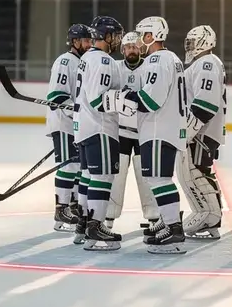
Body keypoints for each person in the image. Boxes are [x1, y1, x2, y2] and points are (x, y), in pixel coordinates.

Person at [103, 16, 188, 254]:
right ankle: (169, 225)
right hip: (164, 128)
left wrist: (122, 98)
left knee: (159, 180)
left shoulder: (157, 60)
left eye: (141, 35)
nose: (138, 40)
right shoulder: (171, 58)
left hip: (159, 129)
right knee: (157, 179)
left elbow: (150, 100)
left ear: (151, 36)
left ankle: (174, 230)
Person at [72, 15, 127, 250]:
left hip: (84, 127)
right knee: (102, 177)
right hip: (101, 127)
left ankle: (83, 225)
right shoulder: (104, 61)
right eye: (115, 35)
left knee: (88, 176)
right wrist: (125, 100)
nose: (117, 40)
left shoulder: (86, 58)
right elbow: (98, 100)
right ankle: (96, 227)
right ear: (105, 36)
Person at [105, 32, 159, 230]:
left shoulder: (150, 67)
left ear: (141, 48)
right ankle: (109, 216)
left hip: (144, 130)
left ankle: (153, 216)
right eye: (128, 47)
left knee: (146, 175)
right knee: (116, 174)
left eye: (135, 46)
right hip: (121, 131)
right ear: (123, 49)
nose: (132, 50)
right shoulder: (115, 68)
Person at [178, 25, 227, 240]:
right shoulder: (206, 63)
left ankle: (209, 216)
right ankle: (209, 215)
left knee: (197, 171)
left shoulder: (206, 63)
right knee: (198, 170)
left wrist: (190, 130)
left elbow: (205, 104)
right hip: (204, 130)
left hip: (202, 131)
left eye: (192, 42)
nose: (189, 47)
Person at [45, 23, 92, 232]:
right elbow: (57, 96)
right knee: (69, 166)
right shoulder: (65, 61)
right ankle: (61, 208)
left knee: (79, 167)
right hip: (63, 123)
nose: (89, 44)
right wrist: (76, 112)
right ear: (75, 41)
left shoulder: (83, 62)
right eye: (86, 40)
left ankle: (72, 207)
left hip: (77, 124)